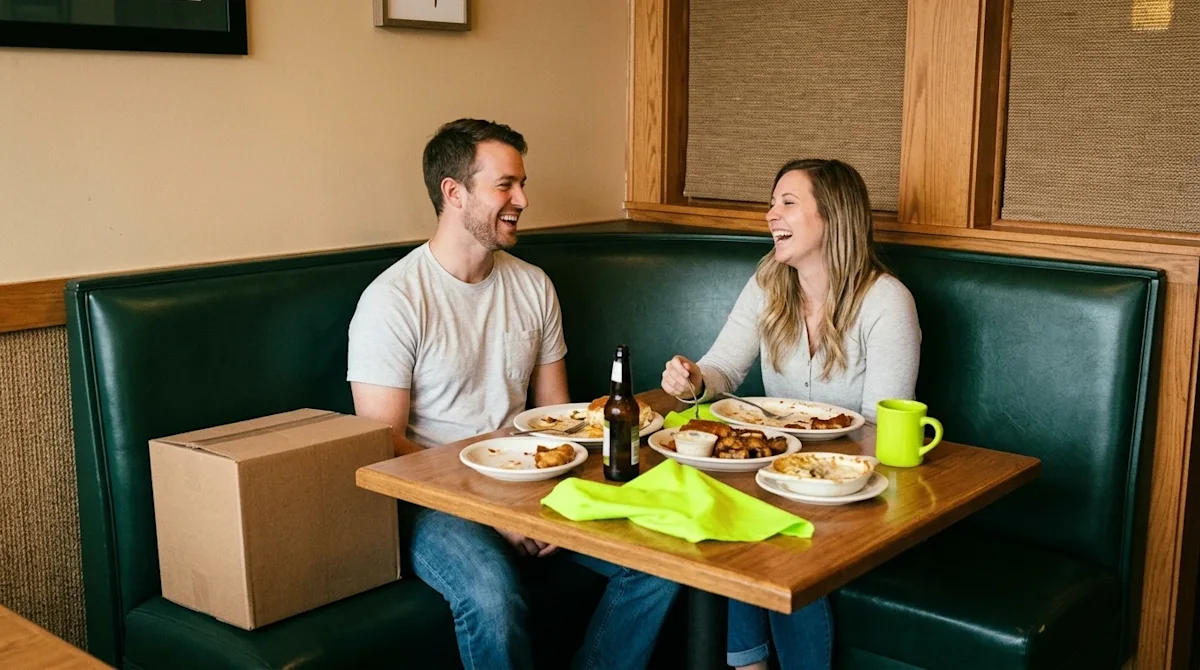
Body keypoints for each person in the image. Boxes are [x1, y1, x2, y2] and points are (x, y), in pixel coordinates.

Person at [348, 118, 680, 670]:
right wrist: (494, 510)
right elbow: (382, 444)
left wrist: (551, 501)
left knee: (663, 560)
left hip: (533, 481)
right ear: (454, 192)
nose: (522, 199)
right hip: (437, 502)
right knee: (493, 598)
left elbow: (558, 419)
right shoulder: (394, 300)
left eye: (521, 184)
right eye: (505, 185)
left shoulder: (533, 285)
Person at [659, 158, 921, 670]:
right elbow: (723, 369)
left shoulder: (887, 302)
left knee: (777, 529)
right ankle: (748, 665)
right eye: (772, 202)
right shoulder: (768, 283)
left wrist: (808, 471)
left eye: (787, 203)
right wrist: (693, 380)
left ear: (832, 218)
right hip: (777, 473)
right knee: (730, 513)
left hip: (854, 486)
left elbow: (879, 431)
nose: (769, 215)